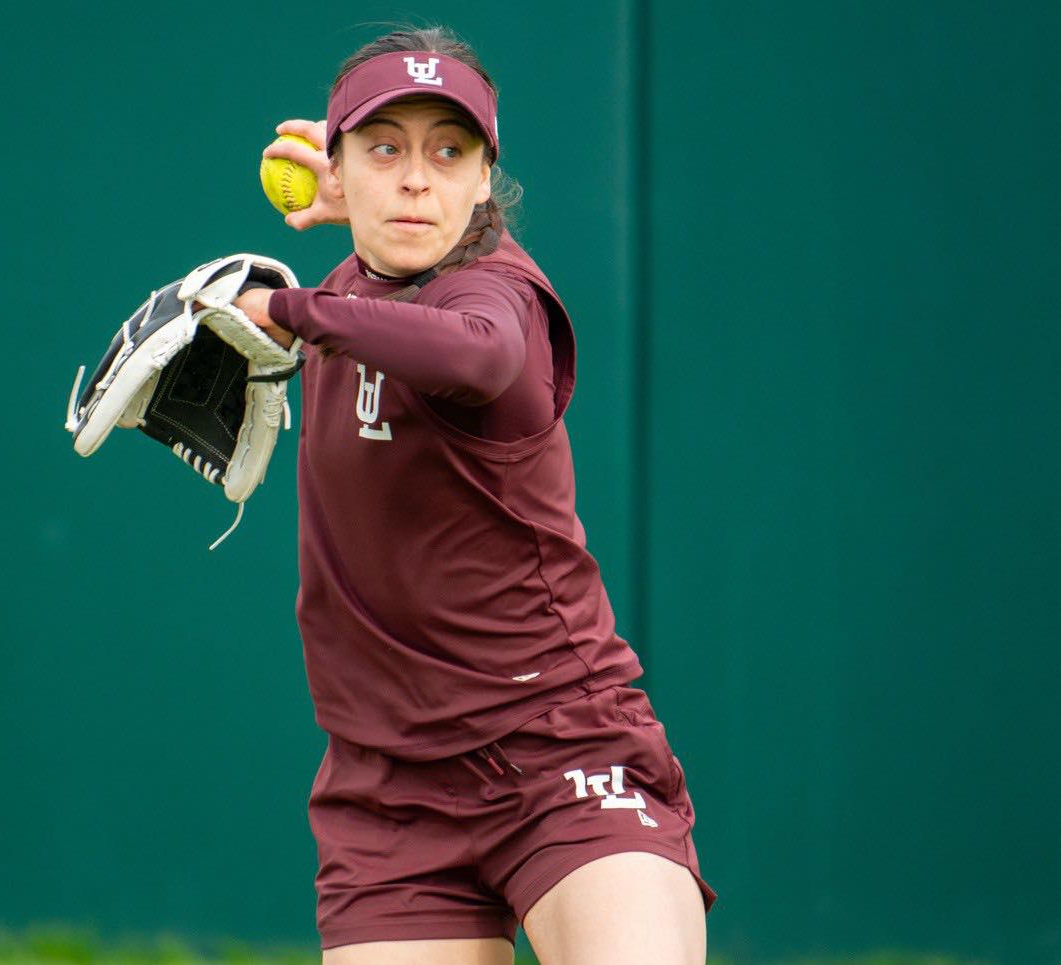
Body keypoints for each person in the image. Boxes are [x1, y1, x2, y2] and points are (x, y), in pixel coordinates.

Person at [231, 26, 714, 965]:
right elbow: (386, 283)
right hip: (390, 789)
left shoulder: (498, 301)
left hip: (560, 751)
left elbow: (474, 353)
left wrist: (285, 310)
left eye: (450, 153)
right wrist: (353, 247)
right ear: (335, 172)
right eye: (386, 151)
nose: (418, 179)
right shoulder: (355, 291)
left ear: (485, 179)